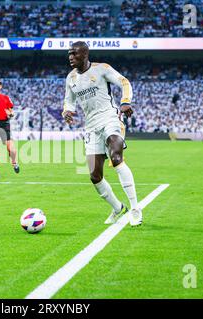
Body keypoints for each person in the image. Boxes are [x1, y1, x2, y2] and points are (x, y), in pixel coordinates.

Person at [62, 41, 141, 226]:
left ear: (85, 54)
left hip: (110, 118)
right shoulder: (71, 78)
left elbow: (124, 82)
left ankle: (135, 208)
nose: (71, 57)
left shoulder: (102, 69)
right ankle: (117, 208)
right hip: (91, 127)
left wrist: (125, 101)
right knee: (95, 175)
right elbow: (69, 101)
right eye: (69, 54)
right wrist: (67, 111)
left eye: (74, 53)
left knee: (116, 156)